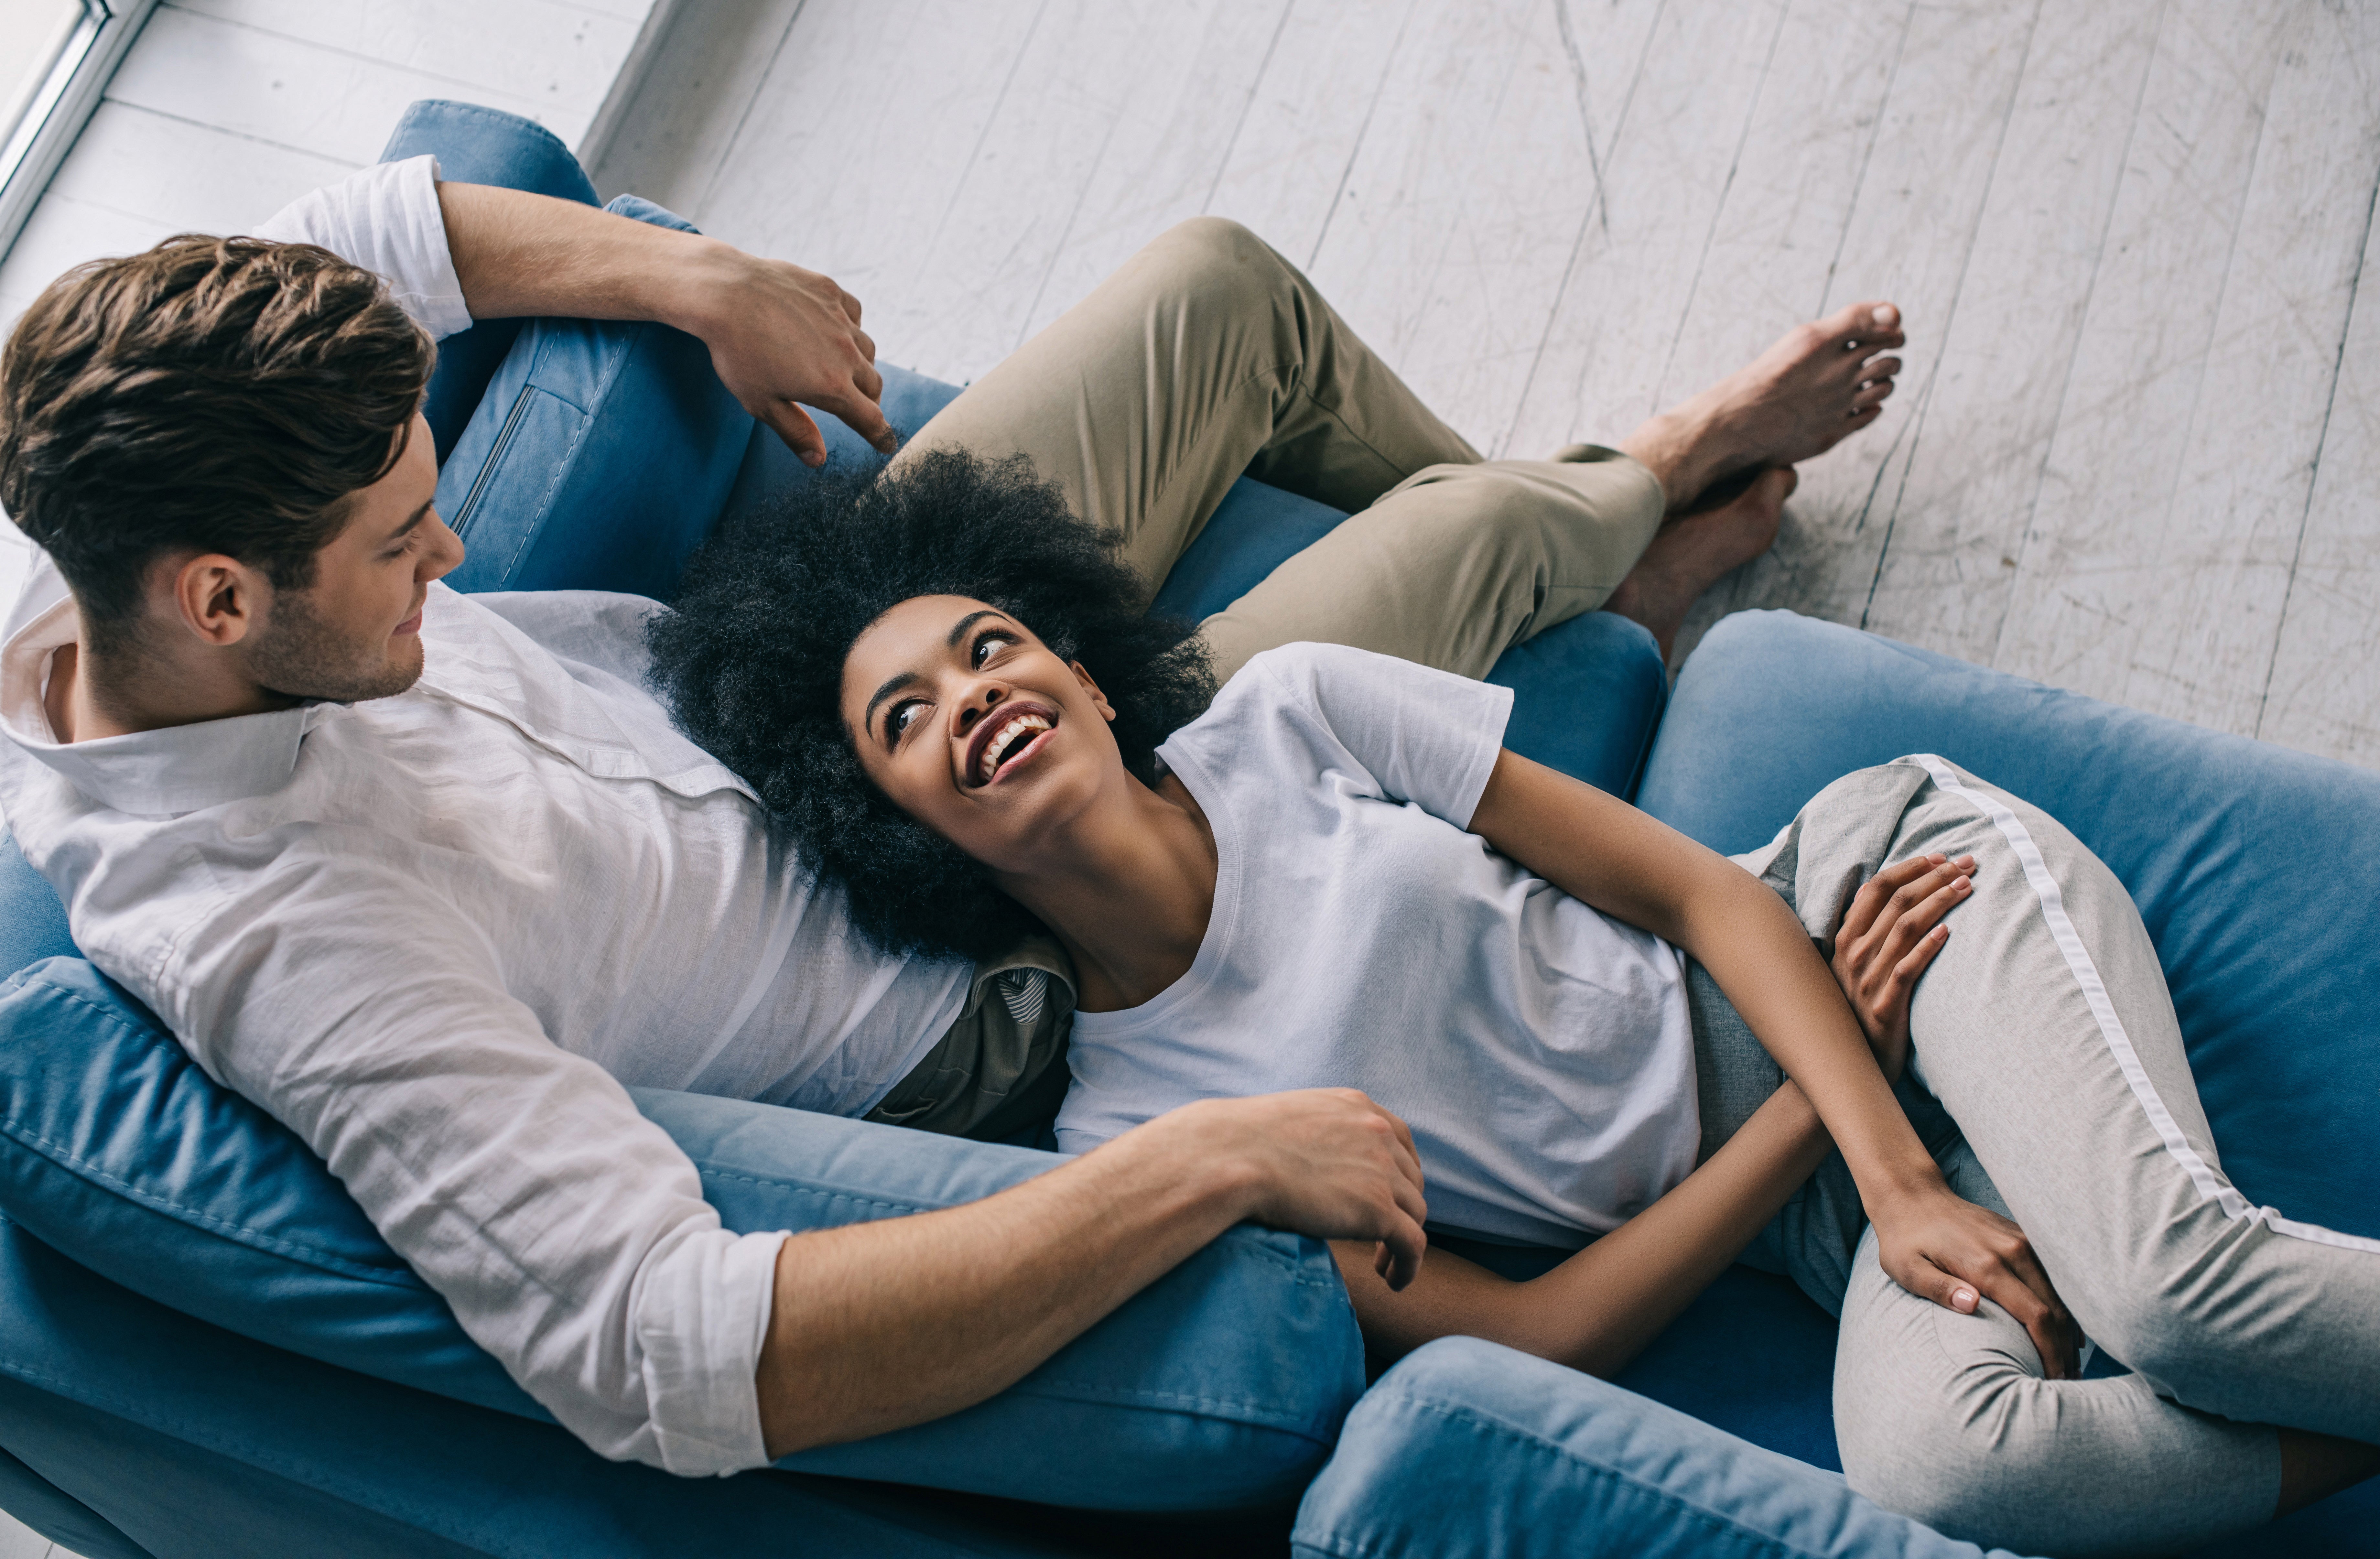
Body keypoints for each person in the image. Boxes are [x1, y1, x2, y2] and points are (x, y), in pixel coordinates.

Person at [0, 135, 1904, 1476]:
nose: (464, 549)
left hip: (784, 675)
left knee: (1217, 290)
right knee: (1464, 536)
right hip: (952, 941)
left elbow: (373, 226)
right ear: (225, 604)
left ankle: (1585, 571)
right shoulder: (287, 941)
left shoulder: (132, 498)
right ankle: (1618, 508)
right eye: (411, 547)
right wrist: (1201, 1165)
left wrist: (692, 276)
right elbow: (657, 1353)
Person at [648, 462, 2380, 1555]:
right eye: (904, 719)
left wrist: (1897, 1158)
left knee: (2173, 1296)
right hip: (1807, 1196)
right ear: (902, 824)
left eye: (991, 644)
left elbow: (1702, 890)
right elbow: (1535, 1338)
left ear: (1083, 672)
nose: (974, 695)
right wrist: (1832, 1154)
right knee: (1958, 1471)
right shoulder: (1142, 1130)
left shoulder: (1299, 714)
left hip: (1876, 916)